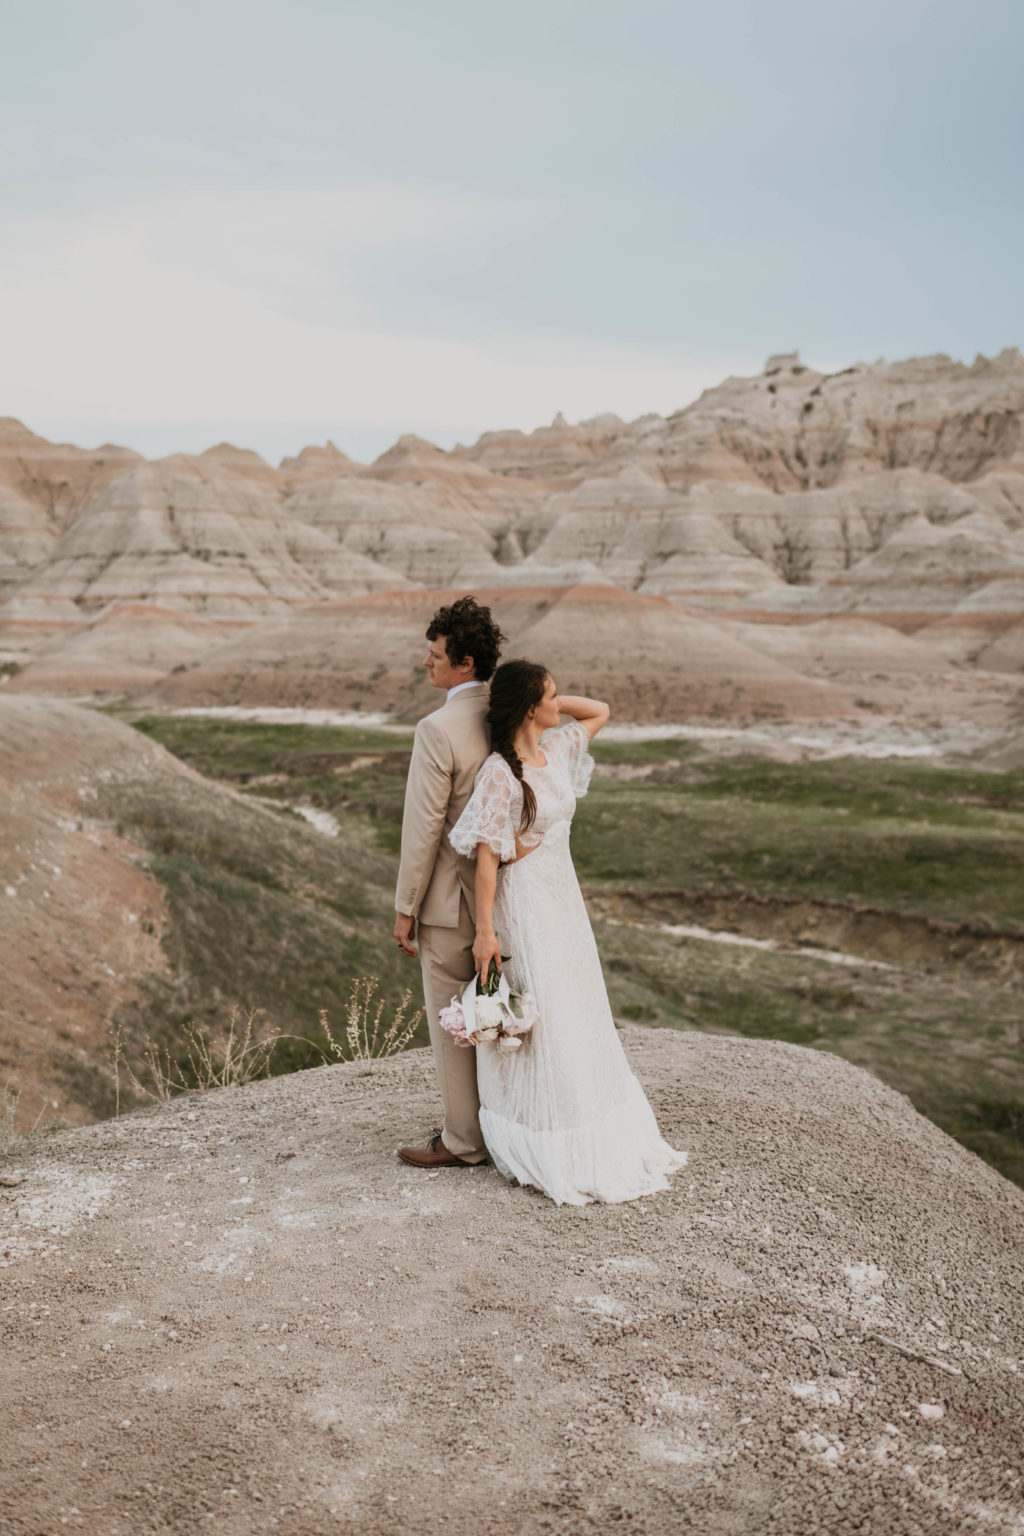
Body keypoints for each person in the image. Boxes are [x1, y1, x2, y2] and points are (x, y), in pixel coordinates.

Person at [448, 659, 686, 1205]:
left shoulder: (553, 752)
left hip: (563, 901)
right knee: (544, 1008)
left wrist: (546, 701)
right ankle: (545, 1129)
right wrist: (485, 933)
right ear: (531, 708)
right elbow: (487, 861)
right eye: (551, 696)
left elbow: (599, 711)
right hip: (525, 903)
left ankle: (587, 1112)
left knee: (576, 1004)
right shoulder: (498, 773)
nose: (562, 704)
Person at [394, 595, 506, 1169]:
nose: (426, 662)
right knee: (504, 1016)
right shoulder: (508, 714)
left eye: (435, 654)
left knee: (455, 1027)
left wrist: (405, 907)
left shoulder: (437, 729)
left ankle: (464, 1141)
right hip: (506, 904)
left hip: (450, 905)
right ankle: (508, 1126)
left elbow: (423, 830)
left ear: (464, 663)